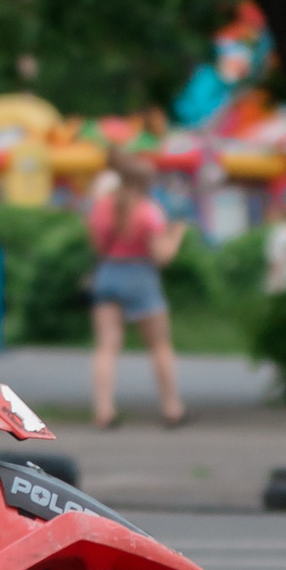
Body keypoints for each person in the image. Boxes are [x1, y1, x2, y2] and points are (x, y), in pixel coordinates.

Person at [85, 153, 188, 430]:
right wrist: (176, 234)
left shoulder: (101, 208)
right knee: (159, 346)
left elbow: (97, 246)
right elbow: (161, 256)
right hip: (140, 276)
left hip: (108, 273)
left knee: (107, 346)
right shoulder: (149, 211)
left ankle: (104, 410)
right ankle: (172, 408)